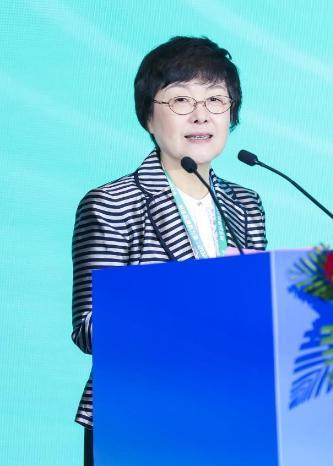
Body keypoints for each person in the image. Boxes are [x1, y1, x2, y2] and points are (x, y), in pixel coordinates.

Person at [70, 36, 267, 466]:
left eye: (216, 100)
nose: (201, 115)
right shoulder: (112, 204)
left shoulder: (246, 205)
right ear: (148, 116)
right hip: (139, 419)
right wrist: (195, 296)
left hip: (230, 414)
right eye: (180, 100)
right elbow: (90, 330)